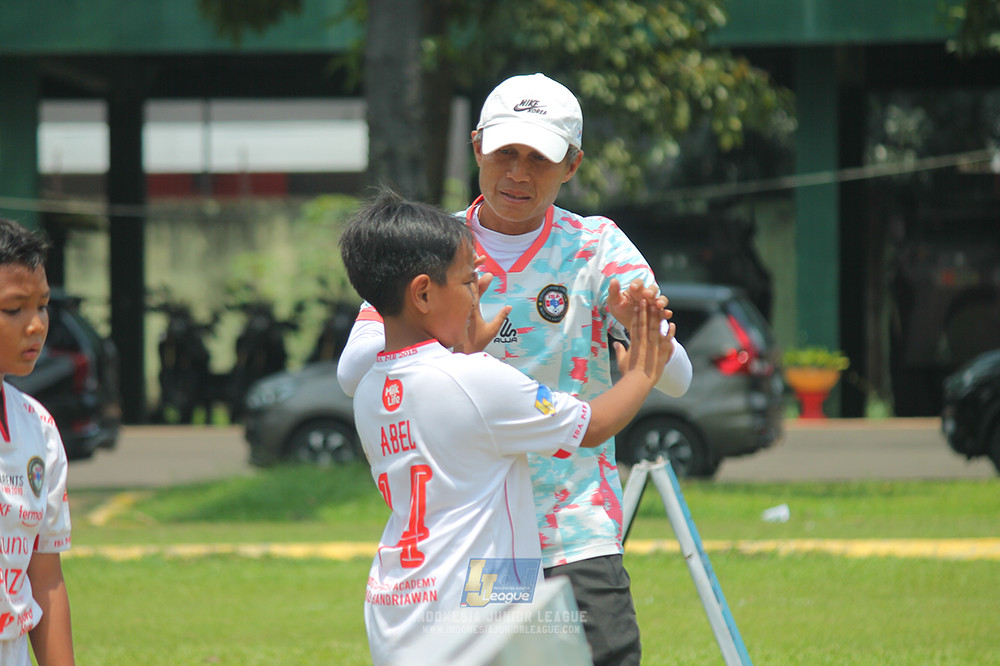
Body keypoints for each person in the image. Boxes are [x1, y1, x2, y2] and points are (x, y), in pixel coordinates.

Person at [337, 73, 693, 665]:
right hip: (485, 540)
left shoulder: (597, 246)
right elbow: (357, 368)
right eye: (505, 153)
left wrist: (639, 328)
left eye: (539, 159)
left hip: (574, 524)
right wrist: (463, 353)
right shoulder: (433, 244)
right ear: (477, 146)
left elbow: (674, 375)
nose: (518, 174)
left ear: (572, 165)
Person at [0, 218, 75, 666]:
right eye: (14, 309)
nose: (35, 325)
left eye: (42, 306)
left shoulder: (38, 428)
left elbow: (45, 577)